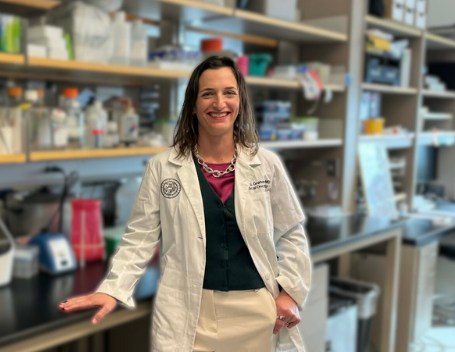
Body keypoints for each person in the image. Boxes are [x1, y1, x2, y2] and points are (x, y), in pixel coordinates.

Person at [58, 56, 312, 352]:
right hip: (189, 313)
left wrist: (291, 293)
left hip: (257, 314)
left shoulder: (266, 165)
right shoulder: (163, 167)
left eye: (229, 92)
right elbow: (139, 238)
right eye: (208, 94)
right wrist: (113, 289)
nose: (219, 103)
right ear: (193, 104)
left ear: (240, 100)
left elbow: (290, 233)